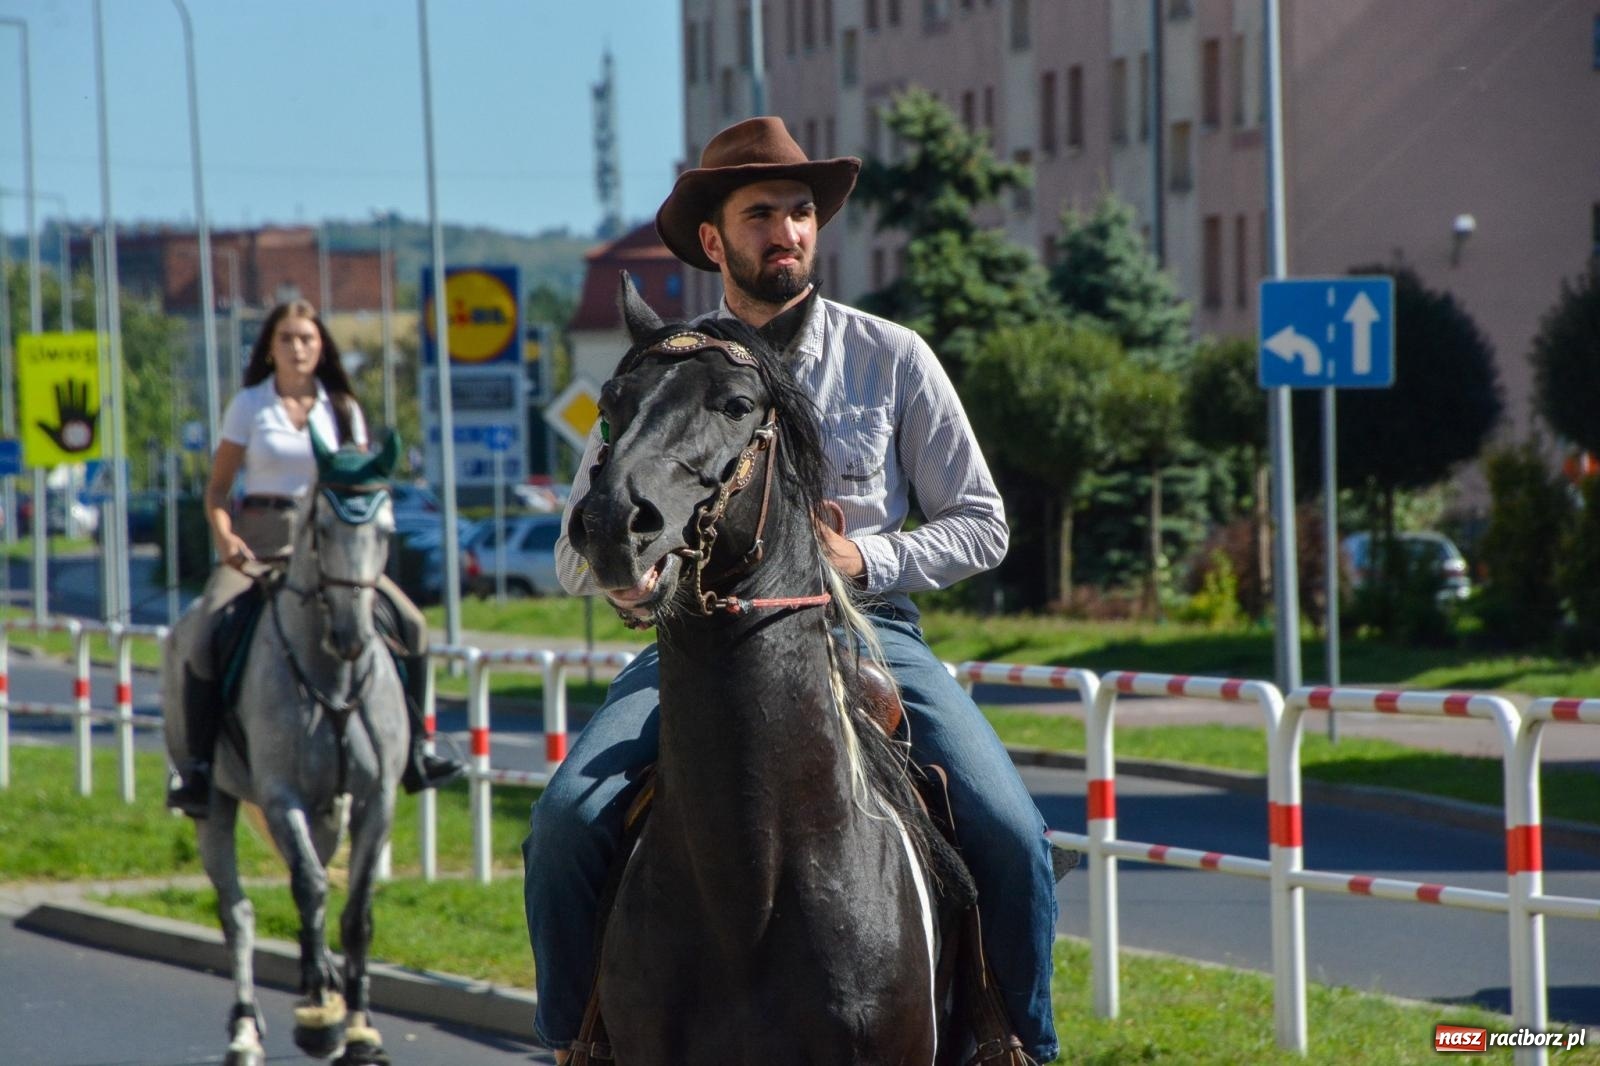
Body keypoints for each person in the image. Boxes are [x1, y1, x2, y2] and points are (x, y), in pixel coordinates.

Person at [522, 117, 1060, 1062]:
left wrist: (864, 561)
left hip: (870, 636)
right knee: (565, 825)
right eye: (761, 212)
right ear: (713, 239)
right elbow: (581, 546)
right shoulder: (669, 374)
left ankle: (1016, 1042)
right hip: (690, 648)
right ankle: (577, 1042)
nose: (789, 230)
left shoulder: (890, 355)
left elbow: (984, 520)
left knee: (1010, 828)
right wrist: (625, 577)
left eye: (802, 212)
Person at [166, 298, 464, 817]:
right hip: (258, 543)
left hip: (331, 549)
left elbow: (364, 484)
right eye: (287, 338)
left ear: (321, 345)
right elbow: (216, 490)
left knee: (413, 625)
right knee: (205, 633)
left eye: (307, 338)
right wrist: (225, 538)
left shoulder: (343, 407)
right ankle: (197, 768)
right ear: (270, 348)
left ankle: (417, 749)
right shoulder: (249, 405)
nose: (298, 347)